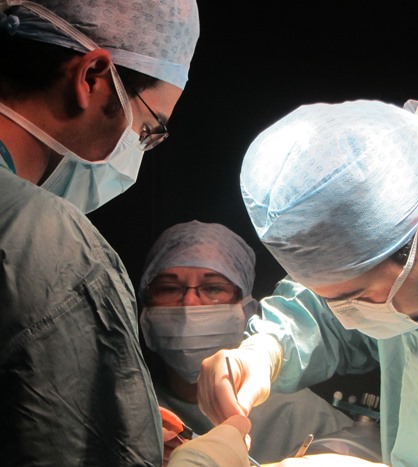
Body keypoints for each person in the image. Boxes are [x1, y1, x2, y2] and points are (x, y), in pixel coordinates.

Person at [0, 2, 252, 466]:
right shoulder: (49, 247)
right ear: (92, 75)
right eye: (149, 128)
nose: (141, 147)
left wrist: (104, 421)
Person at [196, 99, 418, 466]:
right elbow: (327, 313)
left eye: (359, 299)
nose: (349, 318)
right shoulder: (407, 174)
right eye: (334, 300)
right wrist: (267, 349)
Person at [138, 220, 354, 464]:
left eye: (212, 288)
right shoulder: (129, 411)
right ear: (145, 308)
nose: (190, 303)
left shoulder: (301, 415)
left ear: (247, 309)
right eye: (169, 288)